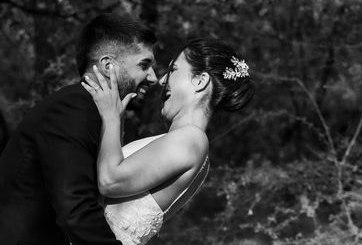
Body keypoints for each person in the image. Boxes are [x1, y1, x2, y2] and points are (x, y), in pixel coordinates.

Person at [0, 13, 158, 245]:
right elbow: (76, 211)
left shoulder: (98, 114)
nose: (154, 78)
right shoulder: (72, 109)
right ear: (108, 66)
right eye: (144, 65)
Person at [82, 38, 254, 245]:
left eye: (173, 70)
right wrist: (116, 120)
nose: (162, 80)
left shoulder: (191, 140)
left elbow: (111, 181)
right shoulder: (186, 143)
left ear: (200, 81)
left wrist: (109, 117)